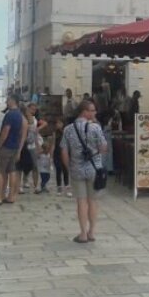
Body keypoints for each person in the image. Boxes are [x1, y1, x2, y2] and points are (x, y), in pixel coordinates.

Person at [60, 99, 107, 243]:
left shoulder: (68, 129)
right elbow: (103, 148)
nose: (95, 113)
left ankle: (82, 234)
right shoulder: (96, 128)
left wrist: (69, 167)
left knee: (81, 202)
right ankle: (91, 232)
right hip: (94, 169)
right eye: (92, 110)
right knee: (93, 201)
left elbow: (64, 151)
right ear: (84, 111)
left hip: (77, 169)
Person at [0, 94, 28, 206]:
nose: (6, 101)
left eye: (7, 99)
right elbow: (23, 133)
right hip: (15, 148)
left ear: (12, 101)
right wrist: (19, 149)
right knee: (12, 171)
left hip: (6, 147)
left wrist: (0, 144)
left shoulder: (9, 115)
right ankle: (11, 196)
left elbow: (6, 130)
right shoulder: (21, 116)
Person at [51, 116, 70, 196]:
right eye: (57, 123)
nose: (58, 125)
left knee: (66, 170)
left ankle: (67, 188)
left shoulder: (66, 132)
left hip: (65, 152)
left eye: (59, 123)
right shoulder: (55, 132)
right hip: (57, 153)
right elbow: (53, 144)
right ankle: (59, 188)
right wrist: (51, 155)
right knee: (58, 170)